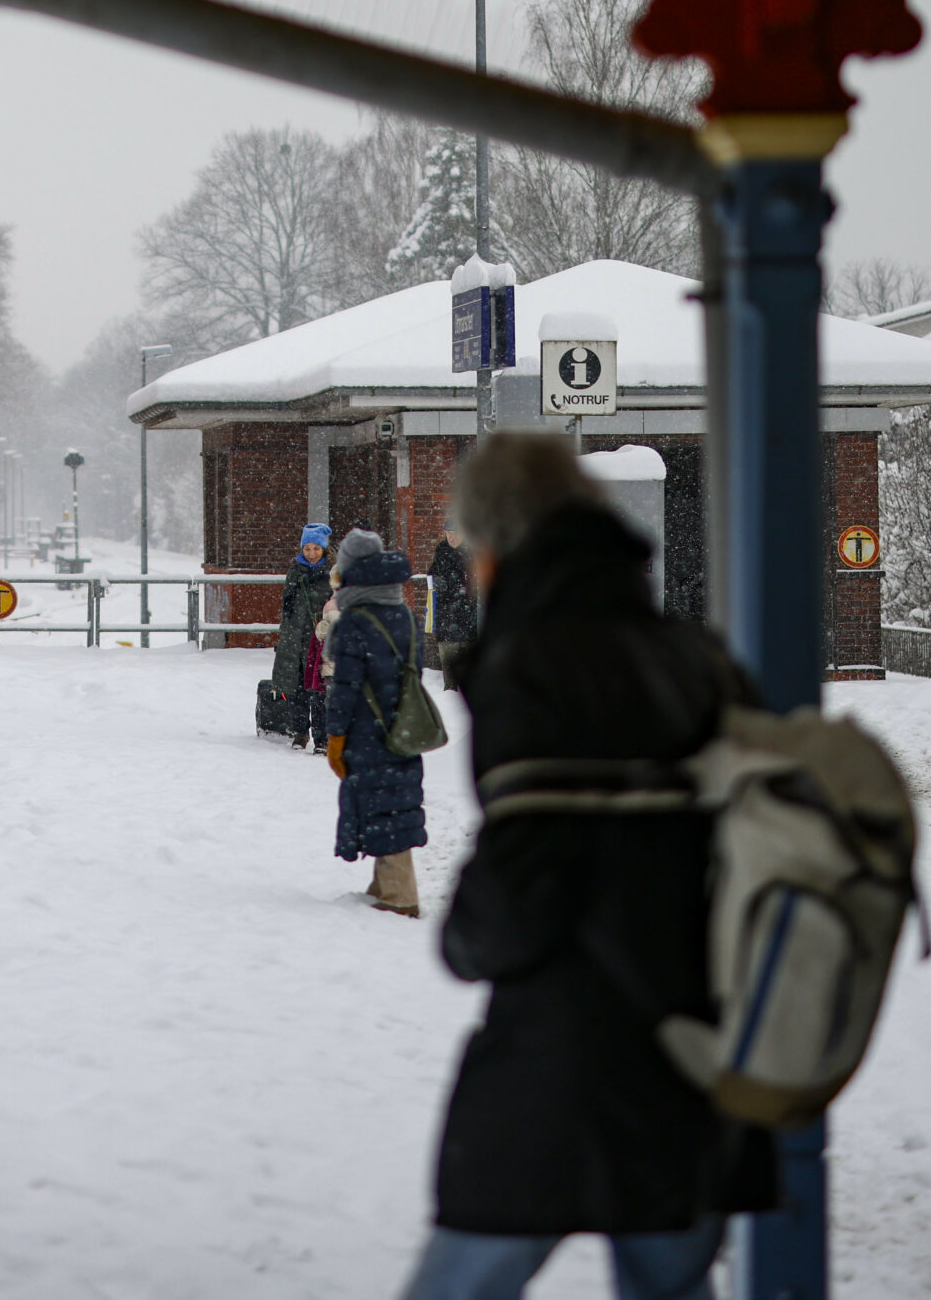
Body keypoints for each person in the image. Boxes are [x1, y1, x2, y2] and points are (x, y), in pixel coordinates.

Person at [399, 431, 775, 1300]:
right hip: (696, 1044)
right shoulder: (693, 655)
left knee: (464, 1274)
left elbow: (529, 871)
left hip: (567, 1049)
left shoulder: (532, 664)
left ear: (497, 545)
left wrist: (466, 937)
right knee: (672, 1281)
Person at [319, 528, 425, 914]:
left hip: (366, 731)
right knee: (392, 803)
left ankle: (400, 897)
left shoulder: (353, 623)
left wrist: (335, 735)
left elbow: (344, 687)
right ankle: (383, 886)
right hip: (404, 728)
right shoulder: (405, 616)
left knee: (383, 807)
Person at [262, 524, 330, 746]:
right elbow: (287, 607)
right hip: (295, 638)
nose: (311, 553)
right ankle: (300, 732)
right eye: (307, 548)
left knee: (320, 690)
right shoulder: (295, 572)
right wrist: (286, 636)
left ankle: (322, 738)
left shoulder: (333, 574)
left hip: (319, 641)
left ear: (324, 549)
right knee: (296, 688)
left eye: (316, 548)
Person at [429, 528, 477, 674]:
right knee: (449, 674)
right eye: (448, 532)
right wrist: (435, 581)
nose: (451, 537)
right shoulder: (441, 552)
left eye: (455, 532)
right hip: (447, 619)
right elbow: (430, 577)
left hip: (469, 618)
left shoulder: (473, 553)